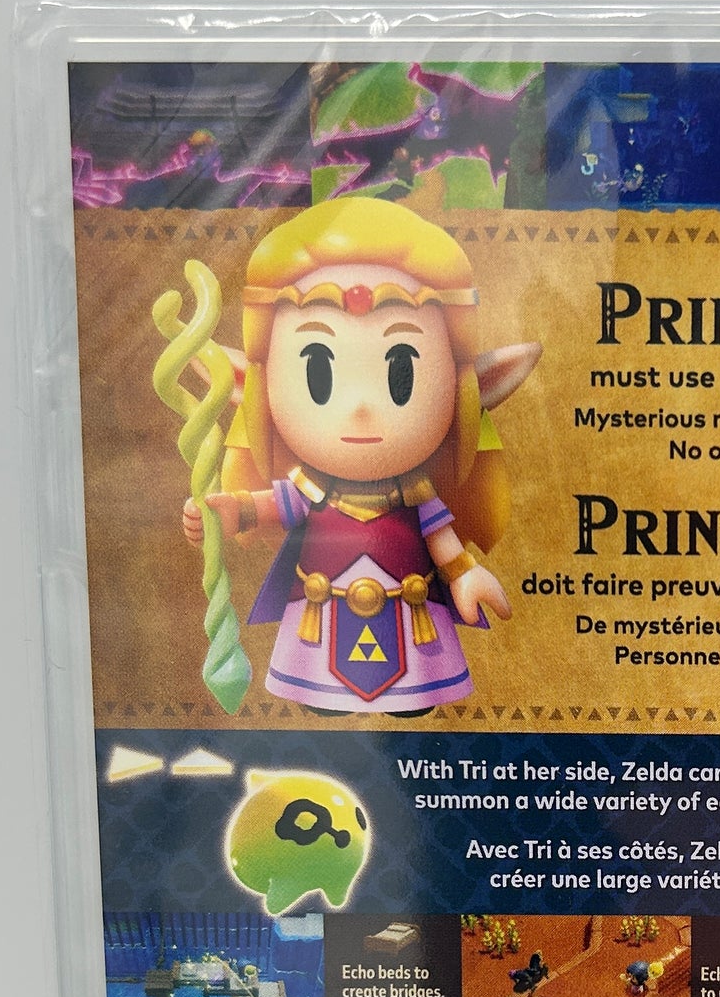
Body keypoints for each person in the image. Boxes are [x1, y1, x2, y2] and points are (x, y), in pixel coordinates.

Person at [181, 195, 539, 712]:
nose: (361, 408)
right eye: (317, 373)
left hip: (411, 616)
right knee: (321, 694)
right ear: (250, 385)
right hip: (319, 617)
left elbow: (442, 540)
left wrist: (465, 574)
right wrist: (224, 512)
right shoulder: (309, 488)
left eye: (402, 374)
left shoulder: (417, 493)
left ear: (476, 386)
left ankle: (412, 694)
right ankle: (321, 693)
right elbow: (271, 505)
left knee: (413, 697)